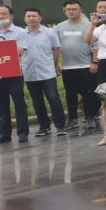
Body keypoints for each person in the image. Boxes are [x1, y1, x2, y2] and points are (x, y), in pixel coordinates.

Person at [20, 8, 67, 137]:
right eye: (28, 16)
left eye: (34, 16)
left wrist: (54, 64)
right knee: (37, 101)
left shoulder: (49, 33)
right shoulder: (21, 35)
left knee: (53, 99)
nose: (31, 18)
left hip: (47, 72)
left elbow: (57, 49)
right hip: (29, 73)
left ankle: (60, 126)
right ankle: (44, 126)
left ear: (40, 18)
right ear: (25, 19)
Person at [56, 0, 99, 133]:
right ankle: (72, 119)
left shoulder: (88, 25)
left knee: (88, 93)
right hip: (67, 67)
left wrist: (95, 62)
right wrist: (55, 64)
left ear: (81, 11)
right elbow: (55, 47)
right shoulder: (59, 27)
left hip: (85, 66)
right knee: (70, 94)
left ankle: (90, 117)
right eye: (68, 9)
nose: (71, 11)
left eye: (74, 9)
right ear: (64, 11)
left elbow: (95, 45)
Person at [0, 5, 29, 146]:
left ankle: (22, 132)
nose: (0, 17)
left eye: (4, 14)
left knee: (19, 103)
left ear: (11, 16)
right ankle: (4, 134)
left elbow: (21, 51)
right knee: (1, 104)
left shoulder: (20, 32)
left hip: (14, 72)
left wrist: (0, 47)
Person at [85, 0, 106, 147]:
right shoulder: (101, 28)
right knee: (105, 101)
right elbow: (87, 39)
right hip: (104, 63)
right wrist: (93, 24)